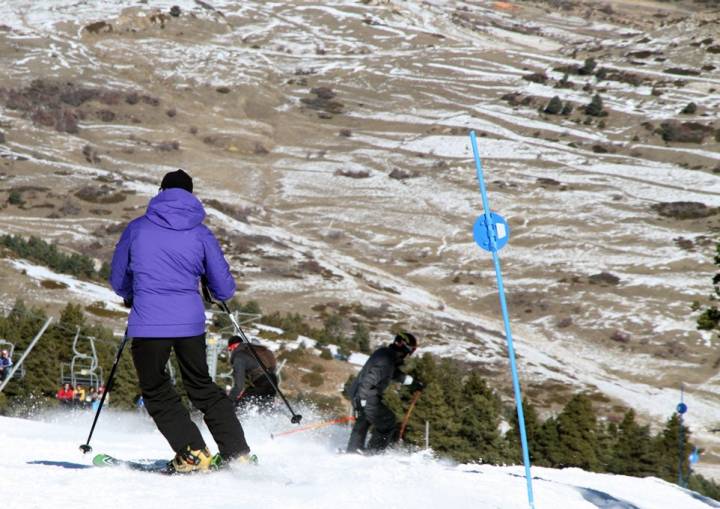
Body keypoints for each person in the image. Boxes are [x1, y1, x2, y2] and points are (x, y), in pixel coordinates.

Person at [109, 169, 251, 473]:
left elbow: (118, 278)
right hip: (190, 325)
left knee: (156, 388)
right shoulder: (201, 233)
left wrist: (131, 294)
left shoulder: (137, 229)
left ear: (160, 191)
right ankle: (236, 452)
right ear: (191, 195)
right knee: (201, 385)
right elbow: (224, 288)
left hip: (149, 323)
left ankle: (192, 452)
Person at [346, 332, 419, 454]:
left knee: (364, 420)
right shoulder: (387, 359)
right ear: (404, 347)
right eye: (411, 350)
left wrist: (411, 382)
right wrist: (361, 400)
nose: (409, 354)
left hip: (362, 392)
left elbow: (391, 373)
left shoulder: (386, 354)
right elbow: (369, 379)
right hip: (366, 394)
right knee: (387, 421)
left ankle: (353, 450)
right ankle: (373, 453)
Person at [227, 336, 277, 411]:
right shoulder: (257, 351)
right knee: (265, 408)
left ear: (234, 346)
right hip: (273, 381)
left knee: (239, 406)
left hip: (262, 383)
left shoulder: (239, 357)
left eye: (230, 349)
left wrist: (228, 402)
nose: (230, 352)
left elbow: (239, 386)